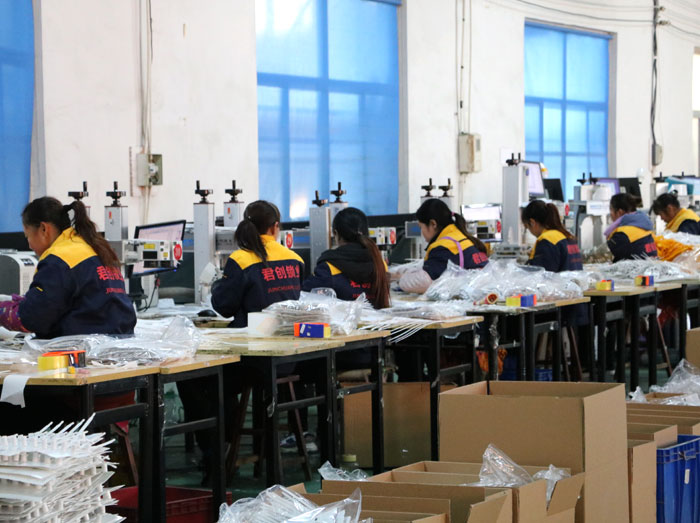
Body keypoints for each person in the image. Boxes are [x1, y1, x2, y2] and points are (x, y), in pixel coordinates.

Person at [0, 197, 135, 337]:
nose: (29, 245)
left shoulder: (58, 259)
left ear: (44, 229)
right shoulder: (92, 246)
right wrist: (16, 301)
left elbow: (32, 318)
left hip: (83, 346)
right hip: (117, 341)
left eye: (27, 236)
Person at [211, 200, 304, 327]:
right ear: (275, 226)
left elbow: (225, 308)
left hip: (249, 335)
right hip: (286, 332)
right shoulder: (296, 260)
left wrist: (216, 287)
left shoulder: (240, 260)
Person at [302, 207, 389, 308]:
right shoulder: (380, 263)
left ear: (336, 234)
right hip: (376, 318)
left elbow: (303, 297)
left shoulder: (329, 267)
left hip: (342, 319)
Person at [399, 199, 489, 294]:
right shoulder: (460, 238)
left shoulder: (443, 247)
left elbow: (423, 282)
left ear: (433, 224)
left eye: (421, 227)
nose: (422, 232)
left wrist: (401, 279)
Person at [521, 200, 582, 272]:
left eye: (527, 227)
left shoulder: (547, 241)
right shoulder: (566, 236)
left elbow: (542, 275)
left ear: (532, 222)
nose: (529, 231)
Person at [606, 193, 657, 262]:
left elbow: (611, 253)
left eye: (611, 210)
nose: (610, 214)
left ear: (620, 212)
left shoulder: (622, 234)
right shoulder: (645, 227)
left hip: (635, 268)